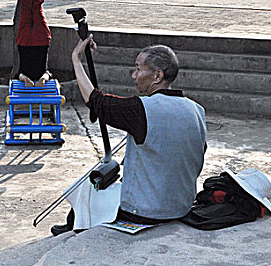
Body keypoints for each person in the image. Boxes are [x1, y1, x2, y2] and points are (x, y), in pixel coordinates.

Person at [51, 37, 207, 236]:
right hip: (182, 206)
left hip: (146, 212)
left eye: (138, 69)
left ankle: (76, 228)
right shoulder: (196, 110)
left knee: (87, 188)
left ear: (157, 76)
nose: (134, 76)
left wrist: (76, 59)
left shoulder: (142, 109)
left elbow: (95, 100)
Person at [14, 0, 52, 87]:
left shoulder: (41, 73)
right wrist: (26, 79)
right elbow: (19, 74)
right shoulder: (24, 73)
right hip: (25, 42)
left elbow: (48, 73)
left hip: (40, 41)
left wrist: (42, 79)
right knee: (26, 5)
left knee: (36, 5)